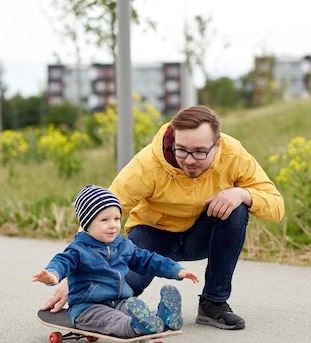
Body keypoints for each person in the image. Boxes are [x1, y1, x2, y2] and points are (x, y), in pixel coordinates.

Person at [41, 105, 284, 330]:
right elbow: (101, 214)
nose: (189, 160)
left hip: (202, 236)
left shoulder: (234, 155)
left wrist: (242, 193)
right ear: (174, 141)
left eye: (199, 152)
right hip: (152, 234)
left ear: (217, 145)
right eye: (182, 150)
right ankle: (126, 314)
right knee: (119, 288)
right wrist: (81, 269)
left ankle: (213, 303)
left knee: (236, 208)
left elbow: (276, 206)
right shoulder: (148, 164)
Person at [33, 184, 200, 338]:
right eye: (104, 220)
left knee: (134, 309)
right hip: (88, 308)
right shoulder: (78, 249)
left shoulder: (122, 245)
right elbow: (62, 262)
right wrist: (52, 275)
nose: (113, 225)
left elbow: (148, 259)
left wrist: (175, 270)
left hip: (120, 301)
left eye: (117, 219)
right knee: (114, 321)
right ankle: (135, 328)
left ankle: (164, 318)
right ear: (87, 224)